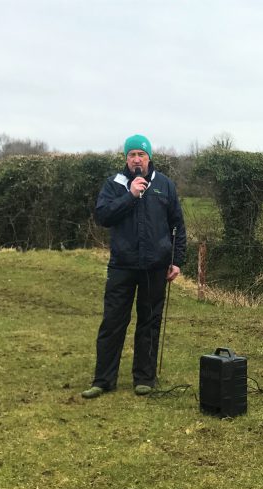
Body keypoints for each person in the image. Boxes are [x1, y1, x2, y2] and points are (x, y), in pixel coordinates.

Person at [82, 134, 186, 398]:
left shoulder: (165, 185)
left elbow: (178, 225)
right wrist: (130, 195)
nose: (136, 159)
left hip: (155, 265)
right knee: (113, 321)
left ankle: (145, 378)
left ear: (149, 157)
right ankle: (103, 380)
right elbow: (104, 216)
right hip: (122, 266)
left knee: (149, 322)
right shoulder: (114, 185)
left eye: (141, 154)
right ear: (126, 159)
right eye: (132, 155)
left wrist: (177, 260)